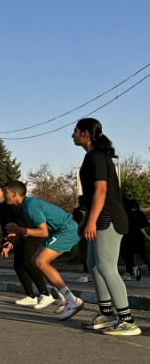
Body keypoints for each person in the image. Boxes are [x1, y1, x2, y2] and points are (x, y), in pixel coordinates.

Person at [72, 118, 140, 335]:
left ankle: (128, 321)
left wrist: (91, 220)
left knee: (107, 267)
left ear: (85, 134)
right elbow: (92, 195)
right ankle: (107, 315)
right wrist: (85, 220)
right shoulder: (90, 157)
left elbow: (101, 191)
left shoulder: (97, 157)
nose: (72, 134)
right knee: (94, 264)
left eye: (75, 131)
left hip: (108, 217)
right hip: (98, 216)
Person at [4, 180, 83, 322]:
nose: (4, 195)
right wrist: (18, 236)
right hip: (58, 231)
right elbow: (37, 230)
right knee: (35, 261)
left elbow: (43, 232)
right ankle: (64, 298)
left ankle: (73, 301)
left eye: (6, 192)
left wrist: (21, 230)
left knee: (41, 261)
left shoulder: (30, 206)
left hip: (67, 230)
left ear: (14, 194)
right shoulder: (24, 206)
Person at [0, 183, 52, 309]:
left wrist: (16, 237)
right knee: (19, 266)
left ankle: (46, 293)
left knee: (29, 263)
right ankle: (31, 296)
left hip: (30, 234)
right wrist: (7, 241)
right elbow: (6, 227)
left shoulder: (13, 206)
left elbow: (22, 222)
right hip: (18, 237)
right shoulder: (1, 208)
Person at [120, 198, 150, 281]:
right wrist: (147, 235)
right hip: (139, 237)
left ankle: (131, 270)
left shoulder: (126, 214)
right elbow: (143, 226)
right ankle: (132, 271)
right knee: (142, 255)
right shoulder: (140, 213)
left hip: (128, 237)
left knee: (126, 255)